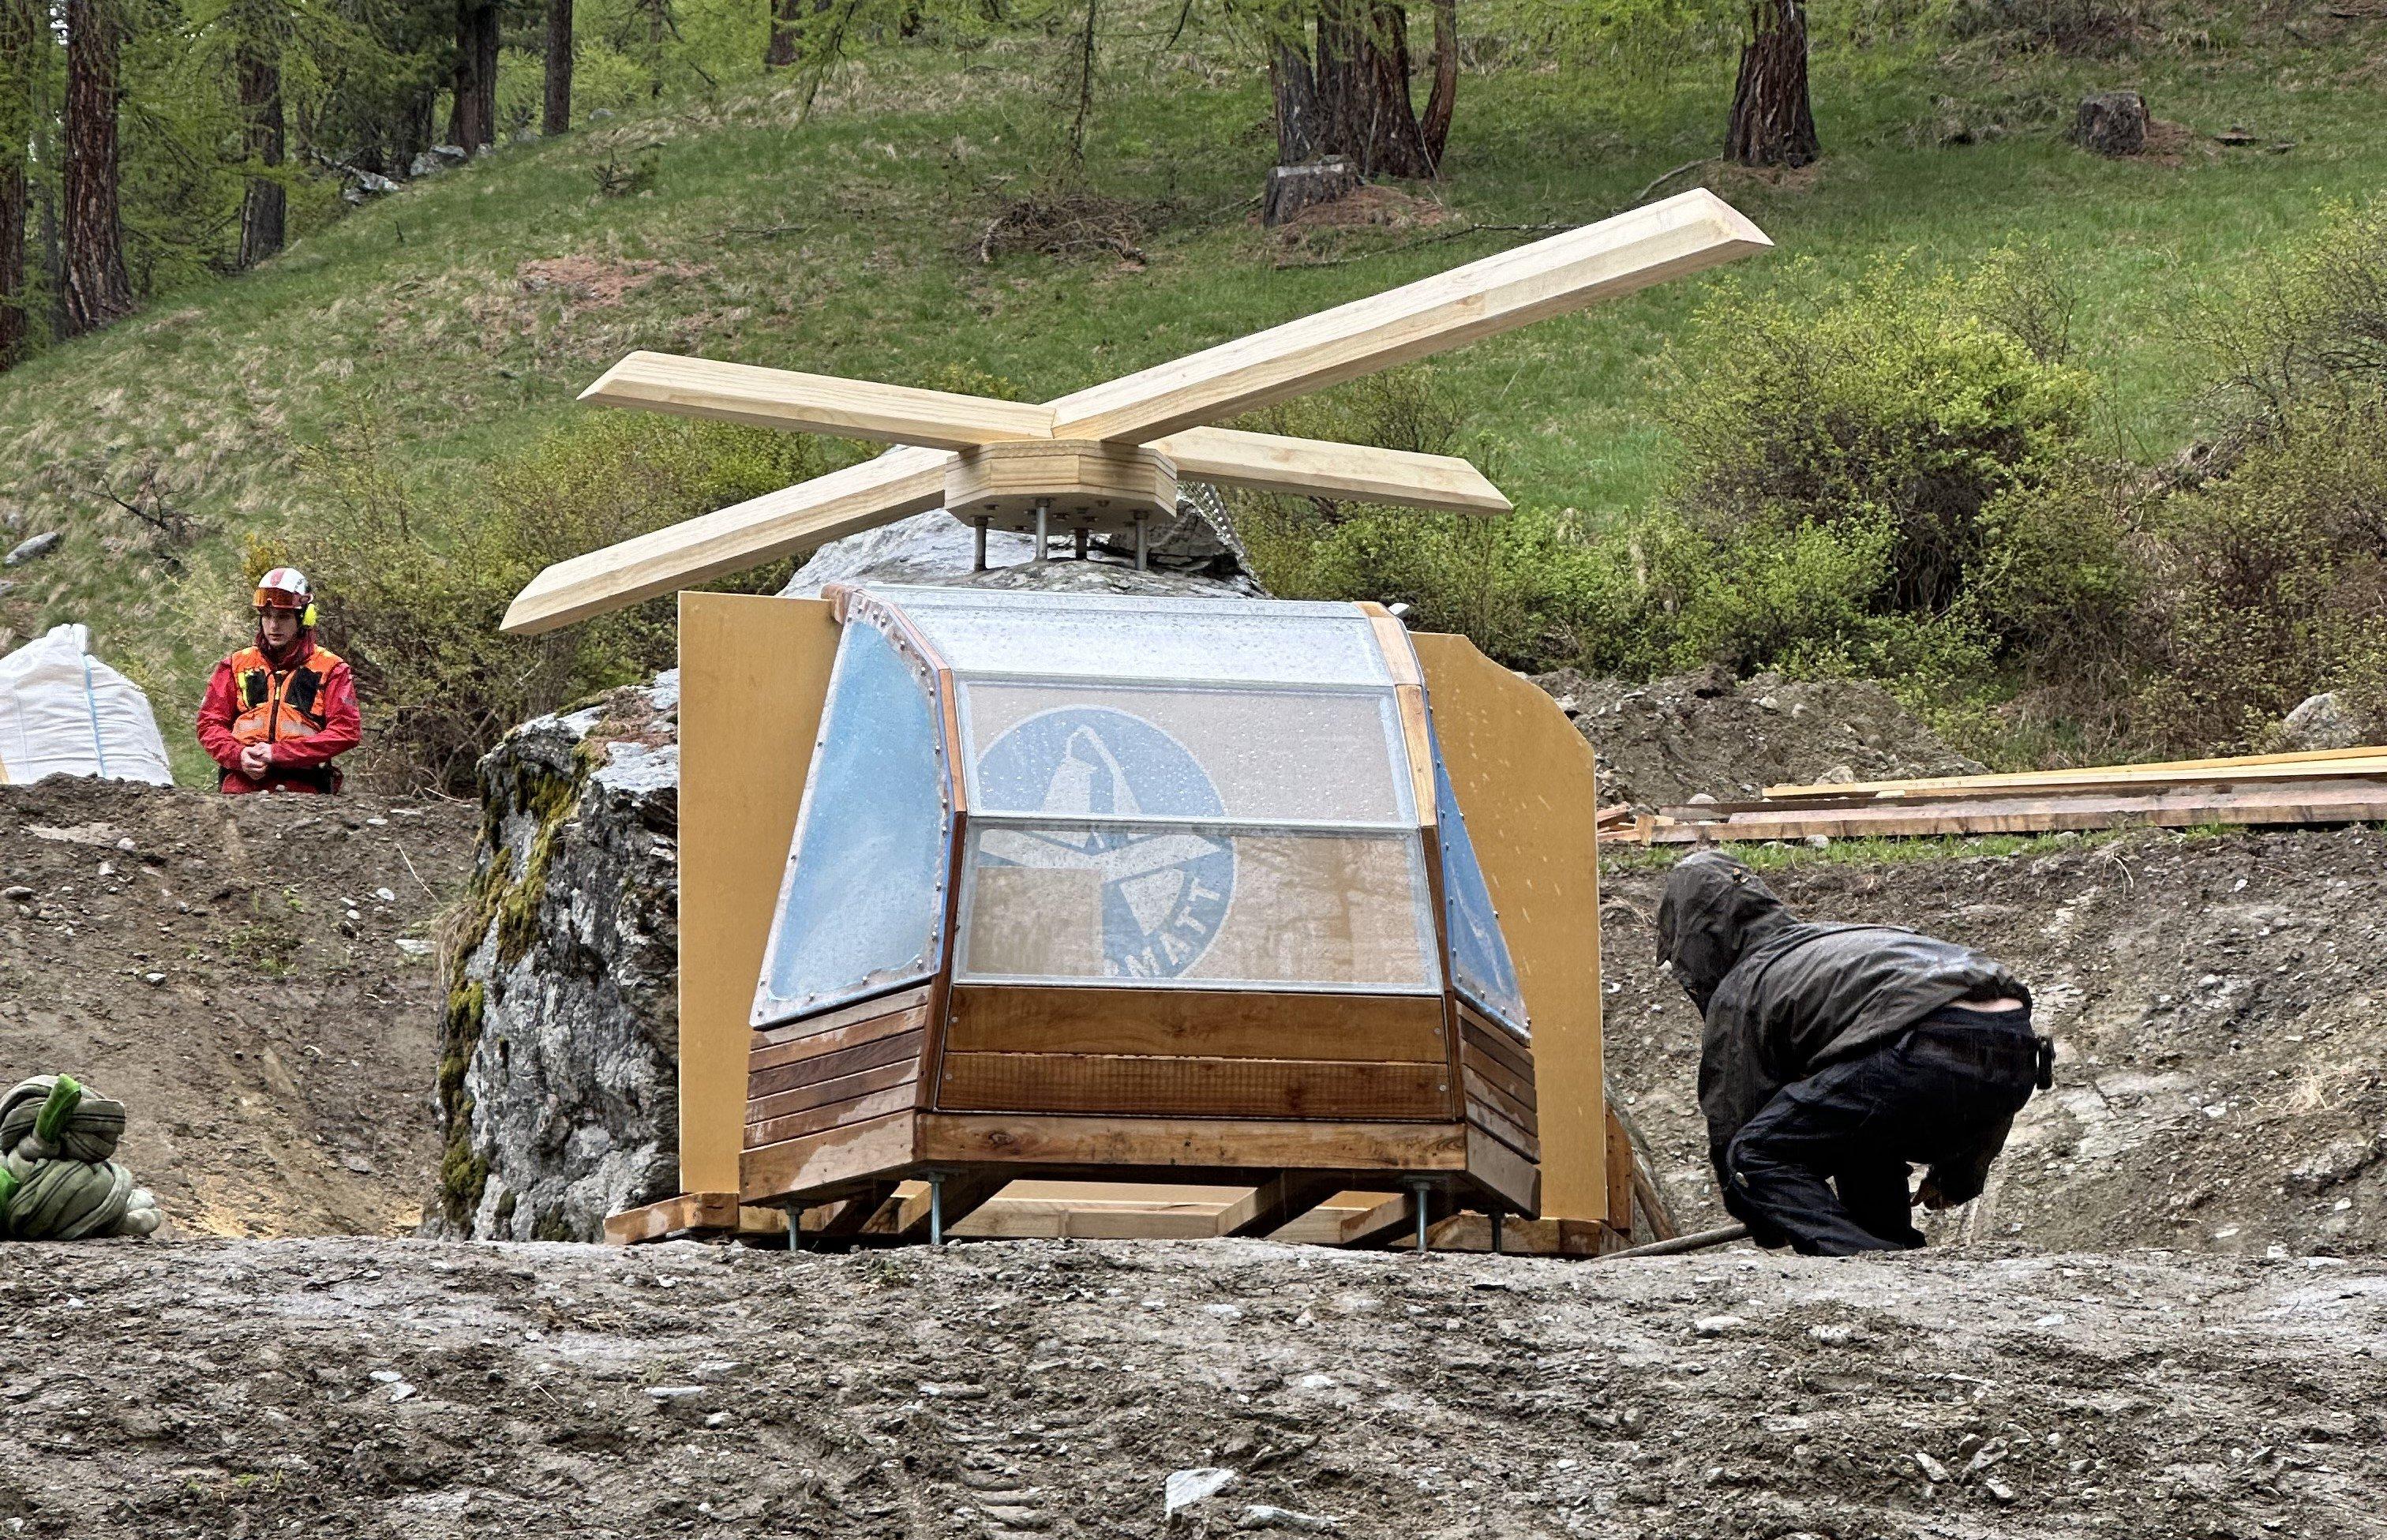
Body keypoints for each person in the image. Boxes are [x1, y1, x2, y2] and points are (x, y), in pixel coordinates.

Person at [1655, 850, 2053, 1256]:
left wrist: (1767, 1215)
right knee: (1860, 1132)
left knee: (1754, 1152)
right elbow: (1985, 1040)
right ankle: (1891, 1249)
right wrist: (1958, 1177)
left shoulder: (1745, 987)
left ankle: (1860, 1262)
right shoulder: (1835, 941)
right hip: (2018, 1050)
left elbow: (1735, 1130)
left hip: (1920, 1050)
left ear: (1697, 940)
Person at [195, 568, 361, 795]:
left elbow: (346, 732)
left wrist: (279, 754)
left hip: (305, 792)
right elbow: (209, 724)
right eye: (267, 616)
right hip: (239, 789)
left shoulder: (332, 668)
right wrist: (238, 755)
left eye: (283, 617)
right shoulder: (234, 664)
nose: (274, 626)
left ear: (304, 618)